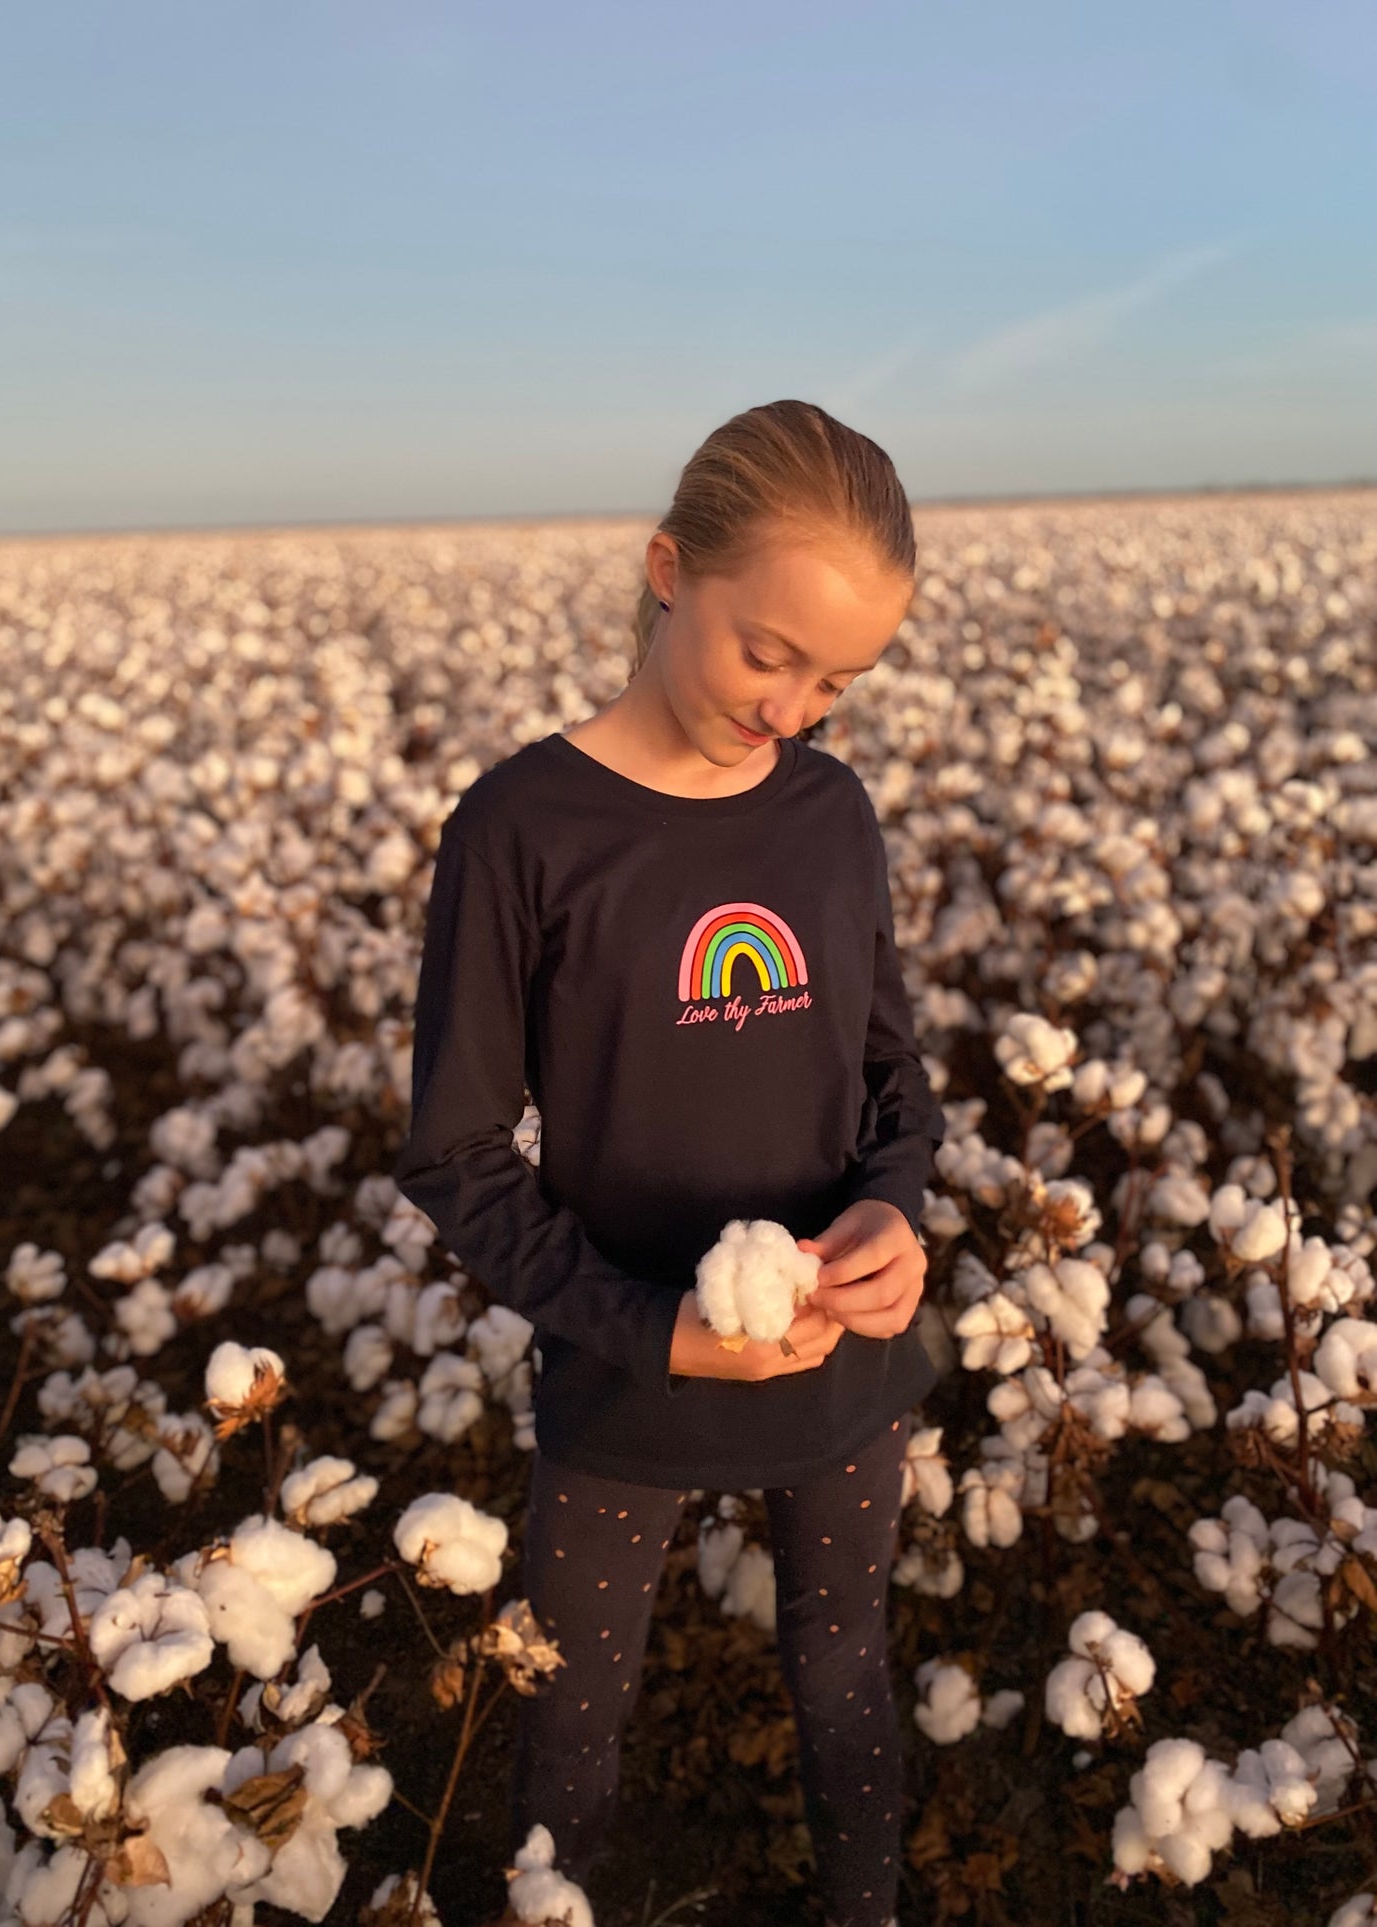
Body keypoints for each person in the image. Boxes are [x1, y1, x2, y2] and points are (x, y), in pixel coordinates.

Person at [394, 398, 946, 1927]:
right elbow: (451, 1150)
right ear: (663, 570)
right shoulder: (520, 828)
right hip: (625, 1385)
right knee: (568, 1721)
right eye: (765, 654)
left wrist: (892, 1217)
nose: (792, 710)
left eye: (837, 680)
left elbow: (890, 1074)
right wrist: (649, 1330)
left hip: (843, 1375)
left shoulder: (831, 815)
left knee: (844, 1679)